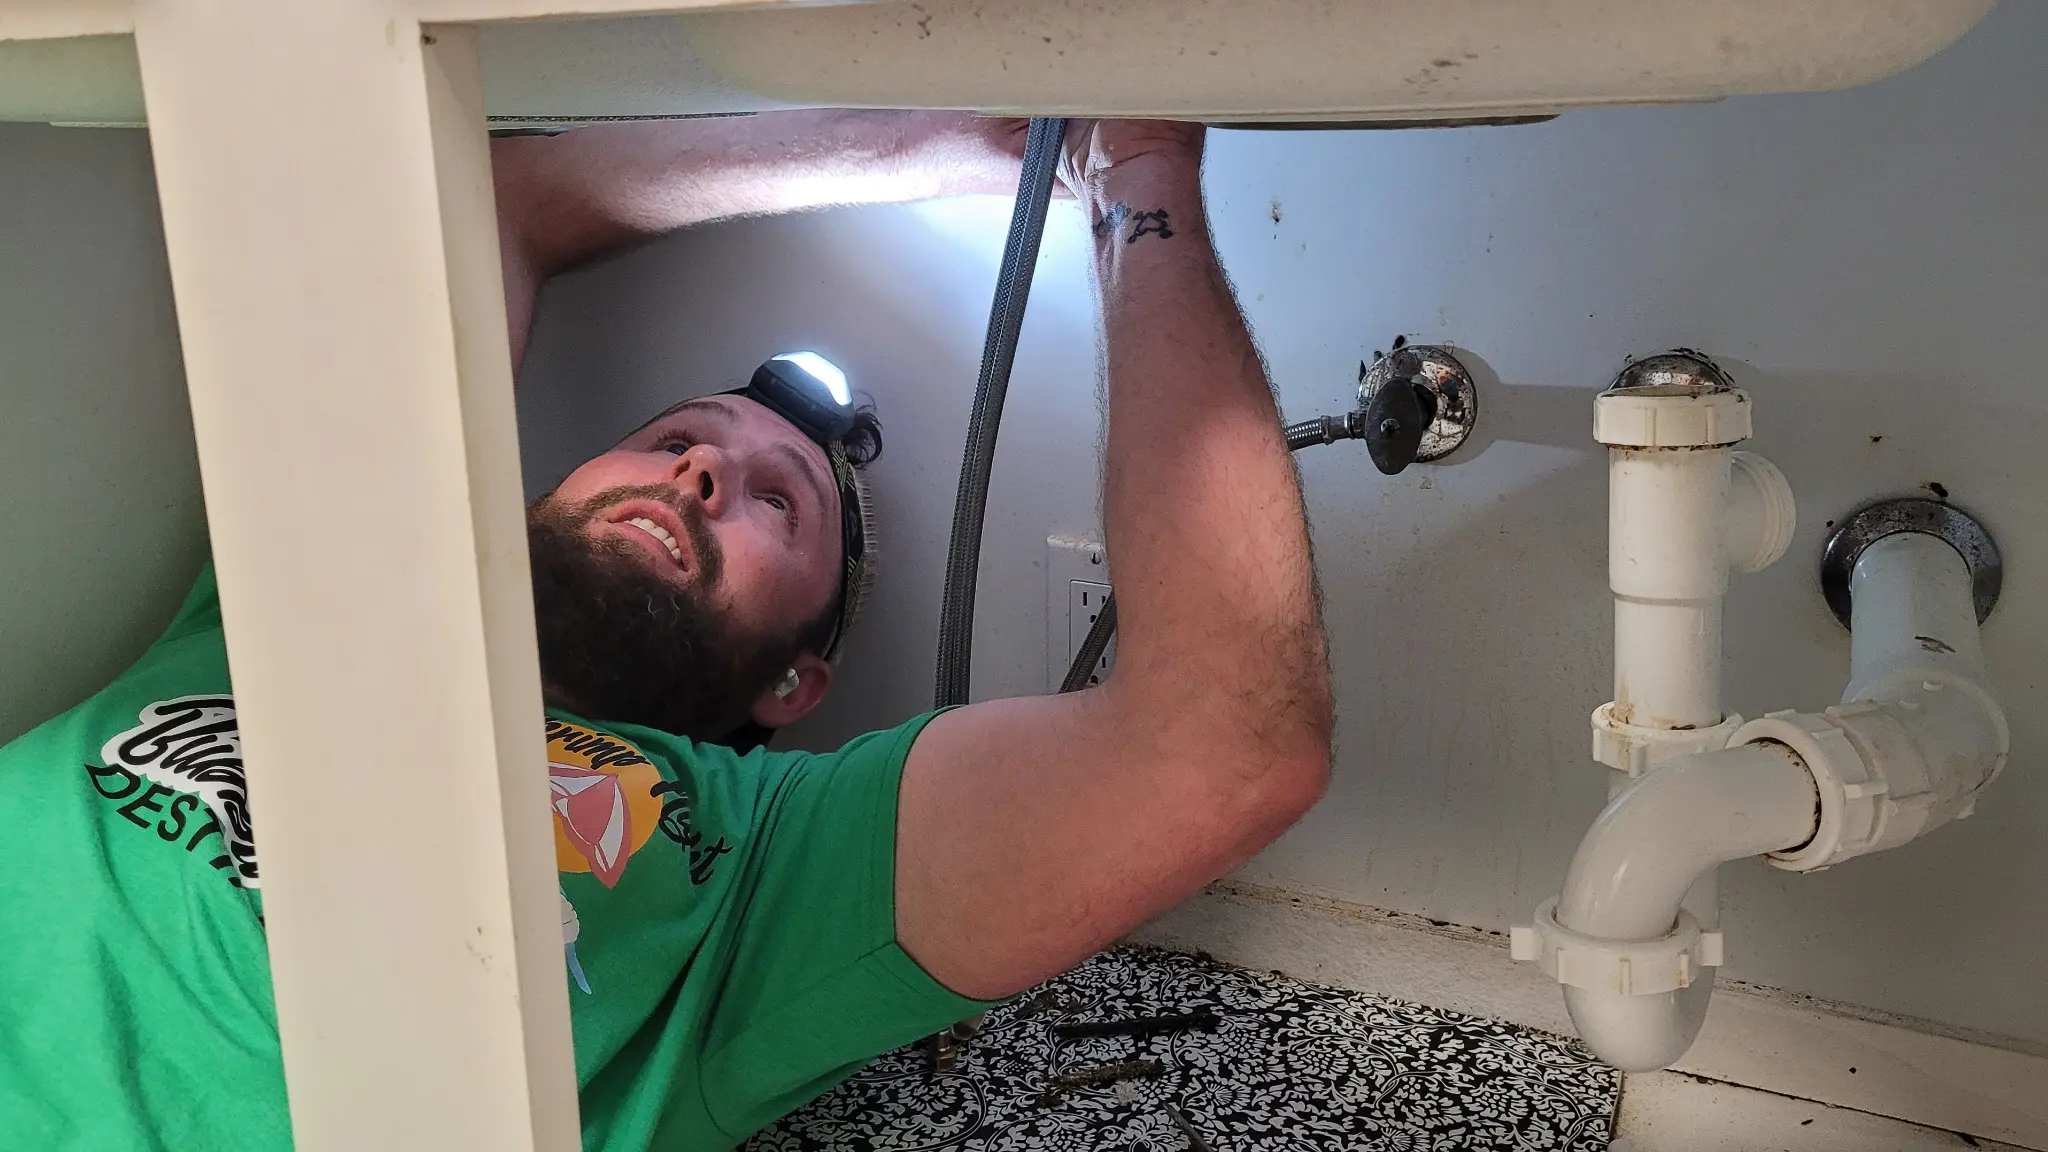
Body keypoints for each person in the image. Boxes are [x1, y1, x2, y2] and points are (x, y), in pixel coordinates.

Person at [0, 113, 1332, 1151]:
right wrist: (938, 140)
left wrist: (1141, 170)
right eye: (673, 440)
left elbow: (1222, 744)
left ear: (799, 677)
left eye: (775, 503)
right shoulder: (318, 593)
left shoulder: (758, 866)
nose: (699, 475)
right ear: (534, 498)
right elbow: (503, 204)